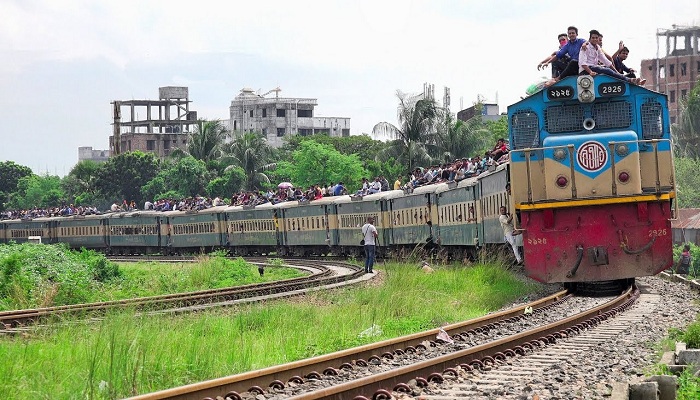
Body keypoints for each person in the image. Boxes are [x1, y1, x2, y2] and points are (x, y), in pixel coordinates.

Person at [579, 30, 645, 85]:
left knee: (608, 69)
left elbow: (606, 61)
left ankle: (634, 81)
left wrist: (617, 72)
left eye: (596, 38)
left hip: (594, 68)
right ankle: (630, 80)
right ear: (590, 39)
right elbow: (583, 63)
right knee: (607, 70)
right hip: (586, 70)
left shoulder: (598, 48)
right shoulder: (585, 47)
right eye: (593, 38)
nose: (595, 39)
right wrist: (590, 72)